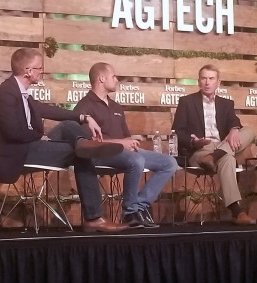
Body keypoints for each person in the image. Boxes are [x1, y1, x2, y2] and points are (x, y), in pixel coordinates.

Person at [0, 48, 128, 233]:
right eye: (39, 68)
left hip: (30, 145)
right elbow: (12, 132)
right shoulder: (4, 93)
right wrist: (38, 136)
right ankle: (94, 218)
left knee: (68, 126)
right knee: (81, 155)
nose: (41, 72)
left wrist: (84, 117)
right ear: (28, 70)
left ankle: (83, 143)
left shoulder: (21, 94)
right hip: (17, 154)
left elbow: (49, 111)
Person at [72, 62, 178, 228]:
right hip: (101, 154)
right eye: (113, 76)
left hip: (123, 153)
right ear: (101, 78)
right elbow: (87, 143)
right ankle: (129, 212)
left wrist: (130, 143)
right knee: (136, 161)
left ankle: (140, 207)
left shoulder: (116, 106)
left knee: (169, 163)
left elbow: (126, 136)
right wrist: (121, 143)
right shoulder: (84, 106)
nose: (117, 80)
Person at [172, 64, 257, 225]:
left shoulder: (226, 104)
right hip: (200, 151)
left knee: (249, 131)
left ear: (218, 82)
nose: (207, 82)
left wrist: (234, 129)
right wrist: (193, 141)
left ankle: (215, 156)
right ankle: (237, 212)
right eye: (204, 78)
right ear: (198, 81)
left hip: (221, 147)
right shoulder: (186, 102)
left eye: (211, 79)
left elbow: (234, 122)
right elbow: (178, 132)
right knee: (228, 158)